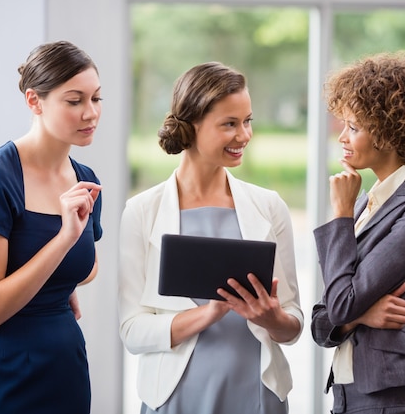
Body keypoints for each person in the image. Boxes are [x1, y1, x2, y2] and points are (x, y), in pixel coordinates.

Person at [118, 62, 303, 414]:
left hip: (257, 396)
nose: (244, 135)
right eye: (230, 124)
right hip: (175, 398)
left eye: (247, 121)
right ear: (191, 127)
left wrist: (271, 318)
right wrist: (210, 313)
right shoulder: (142, 211)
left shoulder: (269, 207)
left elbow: (292, 323)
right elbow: (132, 330)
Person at [0, 40, 103, 414]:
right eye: (74, 101)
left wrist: (56, 278)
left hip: (64, 364)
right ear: (35, 101)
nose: (91, 113)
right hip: (2, 369)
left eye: (96, 99)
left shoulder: (85, 179)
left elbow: (88, 267)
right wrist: (63, 241)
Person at [311, 51, 405, 413]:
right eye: (342, 124)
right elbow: (320, 322)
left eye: (354, 127)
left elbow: (340, 304)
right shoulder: (369, 201)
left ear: (392, 132)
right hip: (347, 399)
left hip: (391, 401)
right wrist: (359, 315)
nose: (342, 137)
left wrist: (341, 215)